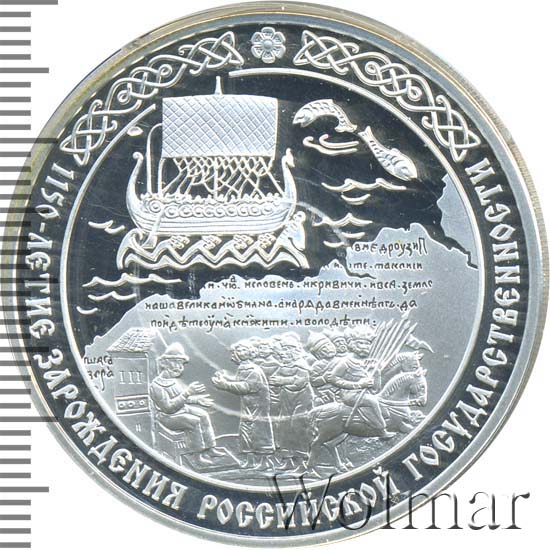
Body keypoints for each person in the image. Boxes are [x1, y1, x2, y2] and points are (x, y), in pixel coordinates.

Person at [150, 343, 221, 465]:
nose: (179, 367)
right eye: (175, 362)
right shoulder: (157, 386)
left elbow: (182, 399)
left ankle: (210, 448)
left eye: (181, 363)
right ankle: (196, 455)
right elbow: (168, 408)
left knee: (203, 415)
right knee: (194, 421)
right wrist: (188, 392)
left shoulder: (173, 381)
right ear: (164, 363)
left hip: (181, 410)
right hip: (167, 417)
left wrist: (197, 400)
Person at [212, 339, 275, 469]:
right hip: (248, 406)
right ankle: (250, 461)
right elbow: (238, 381)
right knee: (246, 431)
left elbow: (246, 387)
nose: (240, 353)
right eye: (238, 350)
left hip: (258, 407)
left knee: (259, 432)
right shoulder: (243, 368)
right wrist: (225, 378)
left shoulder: (254, 370)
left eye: (243, 350)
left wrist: (224, 384)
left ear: (251, 352)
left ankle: (264, 462)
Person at [327, 327, 395, 438]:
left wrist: (377, 373)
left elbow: (376, 389)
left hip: (365, 393)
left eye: (367, 344)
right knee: (372, 401)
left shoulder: (368, 363)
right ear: (352, 345)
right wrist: (358, 384)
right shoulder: (346, 362)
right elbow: (333, 378)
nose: (364, 347)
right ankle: (381, 430)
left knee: (379, 401)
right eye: (360, 343)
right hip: (349, 394)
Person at [270, 333, 314, 470]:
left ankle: (301, 460)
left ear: (293, 351)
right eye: (281, 352)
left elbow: (301, 382)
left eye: (285, 350)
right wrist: (275, 382)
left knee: (298, 426)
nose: (282, 354)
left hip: (301, 400)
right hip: (286, 400)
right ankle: (287, 459)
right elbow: (273, 379)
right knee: (284, 427)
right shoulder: (283, 367)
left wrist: (282, 381)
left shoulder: (301, 365)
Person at [306, 331, 340, 404]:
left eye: (329, 345)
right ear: (318, 354)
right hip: (325, 393)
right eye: (324, 348)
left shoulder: (341, 361)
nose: (329, 348)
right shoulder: (317, 365)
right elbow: (313, 381)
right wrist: (323, 378)